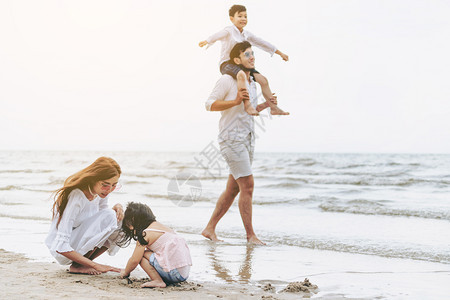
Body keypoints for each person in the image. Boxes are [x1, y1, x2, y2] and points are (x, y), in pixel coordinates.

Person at [202, 41, 277, 245]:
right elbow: (209, 104)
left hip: (248, 139)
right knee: (248, 185)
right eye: (247, 54)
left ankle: (209, 229)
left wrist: (266, 104)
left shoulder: (252, 81)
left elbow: (248, 109)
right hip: (231, 139)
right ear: (236, 60)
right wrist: (235, 101)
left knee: (234, 189)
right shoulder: (227, 80)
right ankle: (250, 236)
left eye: (253, 53)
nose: (252, 57)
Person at [199, 4, 289, 116]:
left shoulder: (246, 34)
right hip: (227, 63)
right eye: (240, 16)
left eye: (245, 16)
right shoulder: (229, 31)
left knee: (263, 80)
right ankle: (248, 105)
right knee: (241, 74)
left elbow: (261, 42)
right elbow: (218, 35)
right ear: (232, 19)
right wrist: (207, 40)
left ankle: (273, 108)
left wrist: (280, 53)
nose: (243, 19)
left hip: (242, 64)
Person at [45, 157, 124, 275]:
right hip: (63, 249)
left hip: (78, 244)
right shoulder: (77, 196)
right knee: (111, 216)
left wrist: (117, 207)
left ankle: (82, 264)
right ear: (94, 180)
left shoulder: (100, 193)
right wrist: (96, 265)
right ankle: (78, 266)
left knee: (122, 220)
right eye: (105, 185)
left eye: (114, 185)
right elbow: (60, 245)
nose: (109, 190)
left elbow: (103, 219)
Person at [118, 202, 192, 288]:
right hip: (184, 274)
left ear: (133, 220)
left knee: (142, 256)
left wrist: (126, 272)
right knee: (149, 253)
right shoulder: (162, 227)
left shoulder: (145, 234)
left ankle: (157, 280)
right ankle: (162, 278)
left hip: (174, 274)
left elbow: (134, 260)